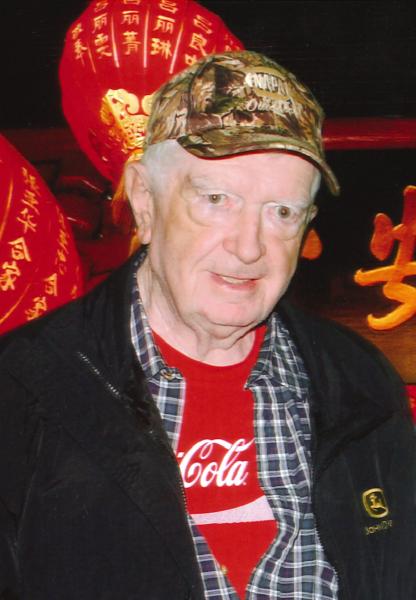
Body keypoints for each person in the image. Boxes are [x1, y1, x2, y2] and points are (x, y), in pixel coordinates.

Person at [0, 51, 414, 600]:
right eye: (217, 199)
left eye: (282, 212)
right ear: (144, 201)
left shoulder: (361, 384)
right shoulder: (23, 388)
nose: (249, 247)